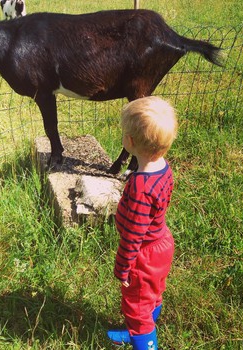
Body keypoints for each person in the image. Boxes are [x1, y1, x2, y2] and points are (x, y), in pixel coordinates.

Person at [107, 96, 178, 350]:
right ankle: (137, 329)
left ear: (130, 141)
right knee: (152, 293)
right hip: (162, 243)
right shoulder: (164, 168)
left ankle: (141, 333)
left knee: (136, 305)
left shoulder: (140, 186)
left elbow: (133, 235)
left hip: (143, 253)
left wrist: (123, 267)